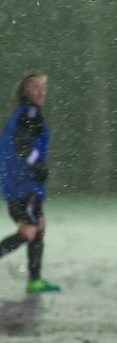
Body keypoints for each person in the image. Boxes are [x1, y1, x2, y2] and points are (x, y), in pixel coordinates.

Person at [0, 72, 60, 293]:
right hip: (22, 185)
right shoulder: (30, 112)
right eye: (35, 87)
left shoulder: (23, 113)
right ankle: (34, 280)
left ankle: (34, 280)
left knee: (40, 227)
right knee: (28, 232)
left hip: (20, 184)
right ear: (25, 90)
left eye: (43, 87)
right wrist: (36, 165)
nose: (41, 91)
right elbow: (21, 142)